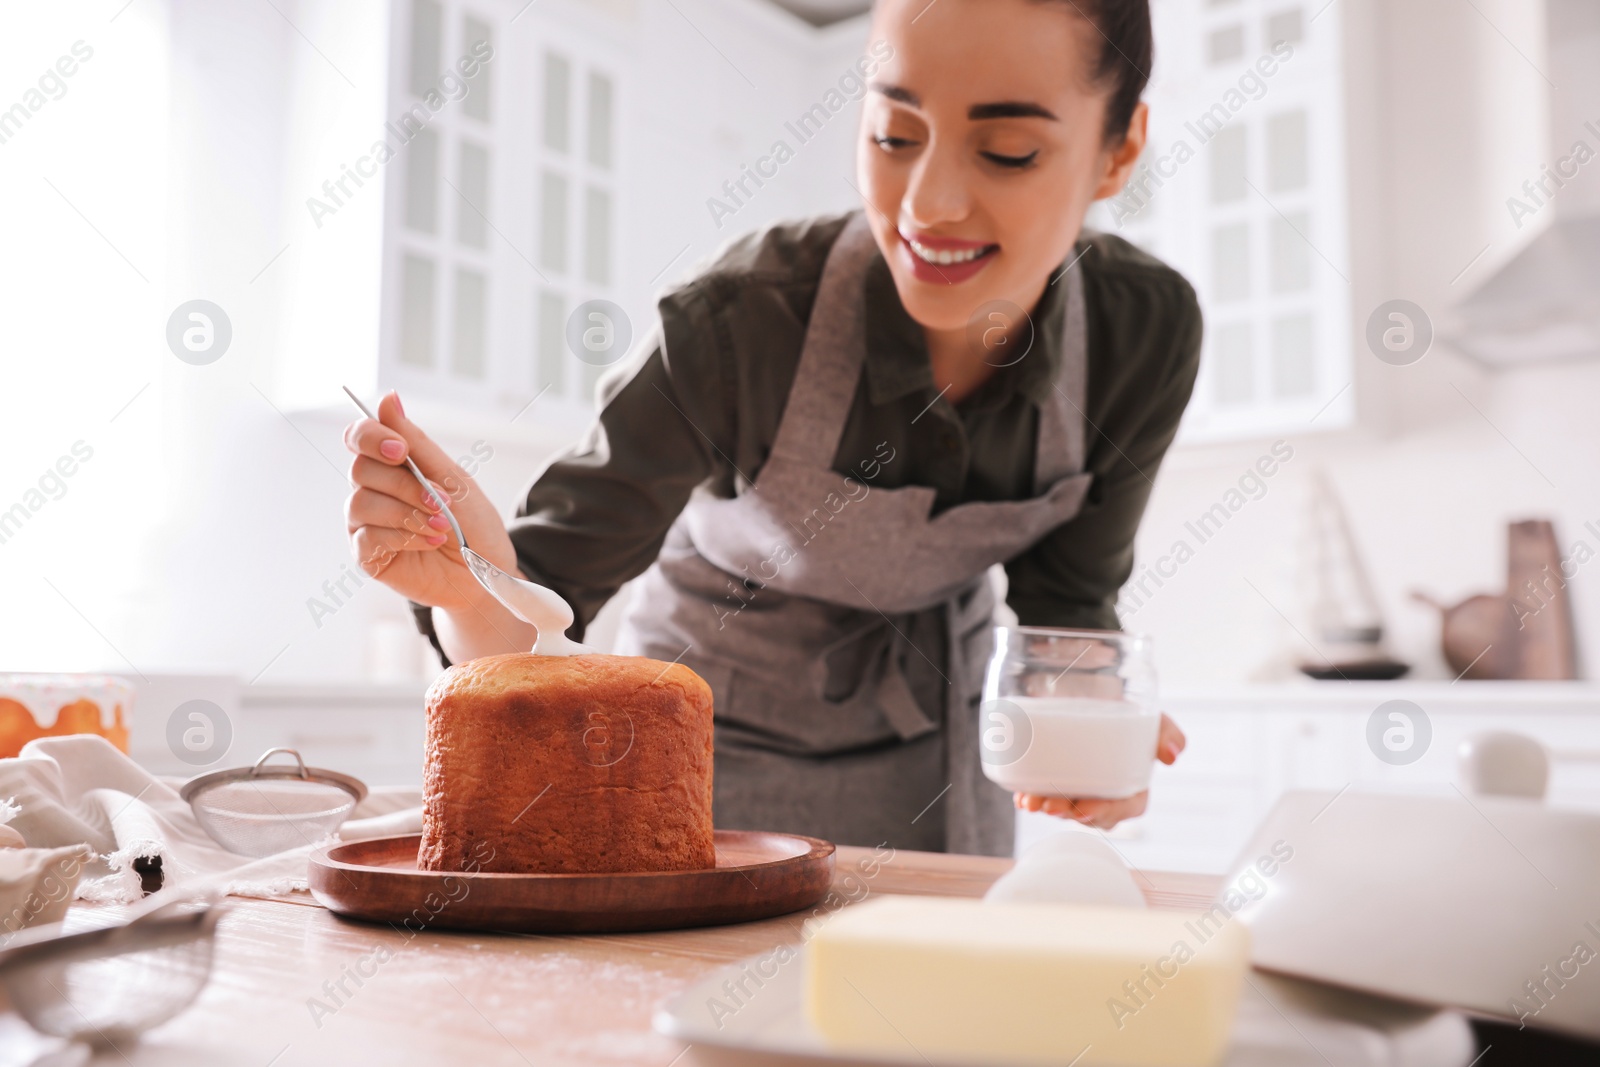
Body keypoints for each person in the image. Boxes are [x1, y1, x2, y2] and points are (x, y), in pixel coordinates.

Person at [343, 0, 1197, 857]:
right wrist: (466, 587)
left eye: (1008, 151)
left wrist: (1090, 721)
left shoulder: (1139, 336)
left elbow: (1069, 605)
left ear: (1119, 150)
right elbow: (527, 629)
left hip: (930, 742)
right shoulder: (740, 321)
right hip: (698, 740)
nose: (929, 204)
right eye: (894, 135)